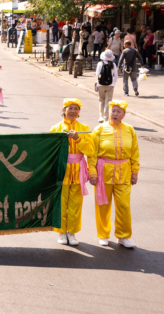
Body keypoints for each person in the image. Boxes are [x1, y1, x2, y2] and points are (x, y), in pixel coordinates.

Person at [88, 101, 139, 249]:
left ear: (124, 114)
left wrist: (135, 171)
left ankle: (123, 236)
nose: (115, 114)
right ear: (108, 112)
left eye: (118, 111)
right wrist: (93, 172)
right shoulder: (99, 130)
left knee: (123, 205)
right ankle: (103, 234)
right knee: (103, 204)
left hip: (124, 172)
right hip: (104, 172)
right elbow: (92, 154)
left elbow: (134, 153)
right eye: (113, 111)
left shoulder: (130, 130)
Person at [49, 98, 94, 246]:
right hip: (61, 171)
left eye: (76, 109)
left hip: (78, 172)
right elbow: (49, 151)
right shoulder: (56, 128)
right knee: (61, 204)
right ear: (64, 110)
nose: (73, 111)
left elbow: (91, 151)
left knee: (75, 205)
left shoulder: (84, 127)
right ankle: (61, 232)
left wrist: (78, 138)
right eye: (70, 108)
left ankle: (72, 233)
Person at [96, 50, 118, 123]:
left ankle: (101, 116)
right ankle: (106, 118)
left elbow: (97, 74)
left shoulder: (100, 63)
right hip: (110, 85)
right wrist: (113, 84)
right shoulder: (113, 64)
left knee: (101, 100)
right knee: (108, 101)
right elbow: (115, 75)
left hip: (100, 84)